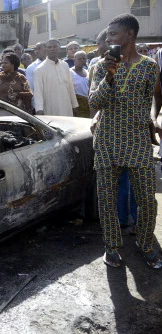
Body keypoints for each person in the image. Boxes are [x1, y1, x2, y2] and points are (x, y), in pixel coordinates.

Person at [89, 13, 162, 268]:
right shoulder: (100, 66)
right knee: (107, 199)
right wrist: (109, 75)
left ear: (129, 34)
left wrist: (153, 119)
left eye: (113, 34)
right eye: (108, 35)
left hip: (138, 140)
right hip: (108, 140)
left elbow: (152, 97)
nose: (108, 39)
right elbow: (94, 102)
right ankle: (112, 247)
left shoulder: (149, 66)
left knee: (147, 200)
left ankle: (144, 242)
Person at [34, 39, 79, 116]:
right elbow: (38, 92)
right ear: (46, 49)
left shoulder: (65, 65)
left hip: (67, 106)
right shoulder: (39, 69)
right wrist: (39, 109)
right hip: (51, 108)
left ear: (59, 49)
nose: (52, 49)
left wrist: (74, 105)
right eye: (49, 47)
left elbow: (70, 87)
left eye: (55, 46)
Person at [70, 51, 90, 118]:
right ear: (74, 59)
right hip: (77, 105)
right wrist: (73, 106)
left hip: (88, 104)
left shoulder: (87, 72)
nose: (82, 60)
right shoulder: (70, 72)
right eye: (79, 59)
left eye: (84, 58)